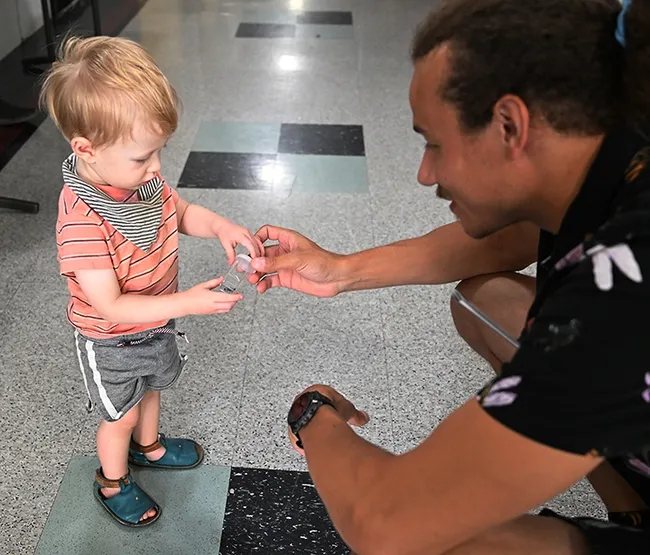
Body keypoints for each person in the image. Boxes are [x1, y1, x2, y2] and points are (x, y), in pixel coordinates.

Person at [248, 0, 650, 553]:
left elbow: (383, 522)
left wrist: (313, 413)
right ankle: (630, 501)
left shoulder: (627, 286)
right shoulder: (619, 140)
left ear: (510, 125)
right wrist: (341, 271)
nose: (423, 173)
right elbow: (517, 238)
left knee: (442, 541)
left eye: (434, 142)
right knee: (484, 303)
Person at [41, 36, 263, 526]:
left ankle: (151, 447)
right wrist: (185, 303)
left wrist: (220, 225)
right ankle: (112, 479)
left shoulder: (139, 178)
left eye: (160, 151)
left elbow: (179, 211)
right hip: (111, 341)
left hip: (158, 319)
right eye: (144, 156)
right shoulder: (82, 220)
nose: (157, 167)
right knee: (120, 413)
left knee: (154, 388)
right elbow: (112, 306)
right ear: (86, 149)